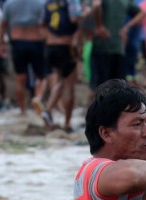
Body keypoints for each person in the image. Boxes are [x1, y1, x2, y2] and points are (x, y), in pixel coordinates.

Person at [0, 0, 48, 116]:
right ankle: (37, 98)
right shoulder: (40, 3)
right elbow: (44, 24)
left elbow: (3, 24)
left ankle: (22, 109)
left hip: (17, 42)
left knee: (20, 78)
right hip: (36, 41)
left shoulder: (9, 4)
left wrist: (1, 43)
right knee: (41, 76)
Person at [41, 0, 84, 131]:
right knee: (69, 85)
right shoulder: (71, 1)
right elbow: (74, 18)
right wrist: (85, 14)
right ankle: (67, 123)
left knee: (60, 79)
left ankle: (48, 111)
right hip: (66, 46)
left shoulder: (48, 2)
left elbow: (41, 24)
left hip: (50, 47)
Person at [90, 0, 145, 96]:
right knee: (118, 87)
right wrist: (126, 28)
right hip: (119, 47)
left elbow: (96, 5)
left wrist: (99, 26)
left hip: (102, 45)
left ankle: (97, 109)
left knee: (99, 87)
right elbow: (143, 13)